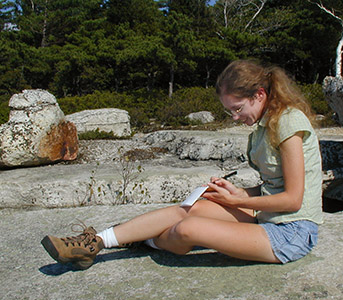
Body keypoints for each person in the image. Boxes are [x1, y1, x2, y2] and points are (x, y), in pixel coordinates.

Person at [41, 60, 323, 270]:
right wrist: (238, 193)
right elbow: (273, 186)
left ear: (259, 95)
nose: (235, 117)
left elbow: (292, 199)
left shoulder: (288, 122)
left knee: (188, 229)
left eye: (238, 109)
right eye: (230, 111)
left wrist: (236, 203)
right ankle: (95, 243)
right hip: (268, 216)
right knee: (191, 208)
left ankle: (143, 238)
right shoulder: (262, 127)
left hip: (292, 231)